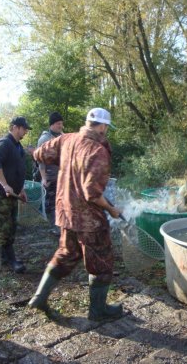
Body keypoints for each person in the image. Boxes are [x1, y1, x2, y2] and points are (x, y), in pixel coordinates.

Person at [28, 108, 123, 321]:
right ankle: (98, 311)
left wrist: (66, 162)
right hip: (89, 220)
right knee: (102, 263)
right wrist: (112, 209)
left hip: (66, 213)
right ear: (102, 126)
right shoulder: (97, 151)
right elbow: (92, 194)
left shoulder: (66, 140)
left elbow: (39, 153)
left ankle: (39, 296)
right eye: (106, 127)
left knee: (66, 254)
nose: (106, 131)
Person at [0, 116, 31, 273]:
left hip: (12, 194)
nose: (25, 132)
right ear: (14, 127)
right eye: (23, 128)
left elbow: (19, 171)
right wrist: (5, 185)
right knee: (2, 227)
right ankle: (6, 259)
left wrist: (21, 189)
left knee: (11, 226)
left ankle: (4, 257)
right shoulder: (4, 143)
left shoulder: (18, 146)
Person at [35, 111, 64, 235]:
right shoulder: (45, 139)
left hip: (62, 176)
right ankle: (55, 227)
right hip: (50, 177)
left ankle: (62, 226)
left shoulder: (62, 136)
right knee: (51, 204)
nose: (60, 126)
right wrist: (44, 178)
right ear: (52, 124)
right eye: (58, 123)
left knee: (62, 202)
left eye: (61, 123)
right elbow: (40, 161)